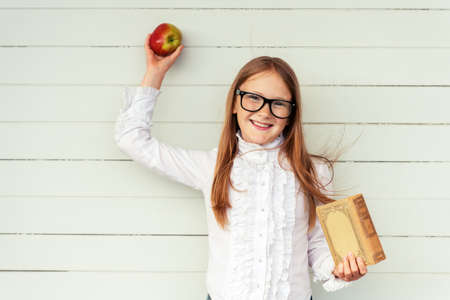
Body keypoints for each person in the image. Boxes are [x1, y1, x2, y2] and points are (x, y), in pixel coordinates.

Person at [114, 33, 367, 300]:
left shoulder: (314, 171)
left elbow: (316, 246)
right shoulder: (211, 167)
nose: (264, 112)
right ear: (235, 103)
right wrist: (155, 73)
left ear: (291, 114)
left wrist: (340, 269)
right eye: (253, 98)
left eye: (278, 103)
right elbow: (132, 140)